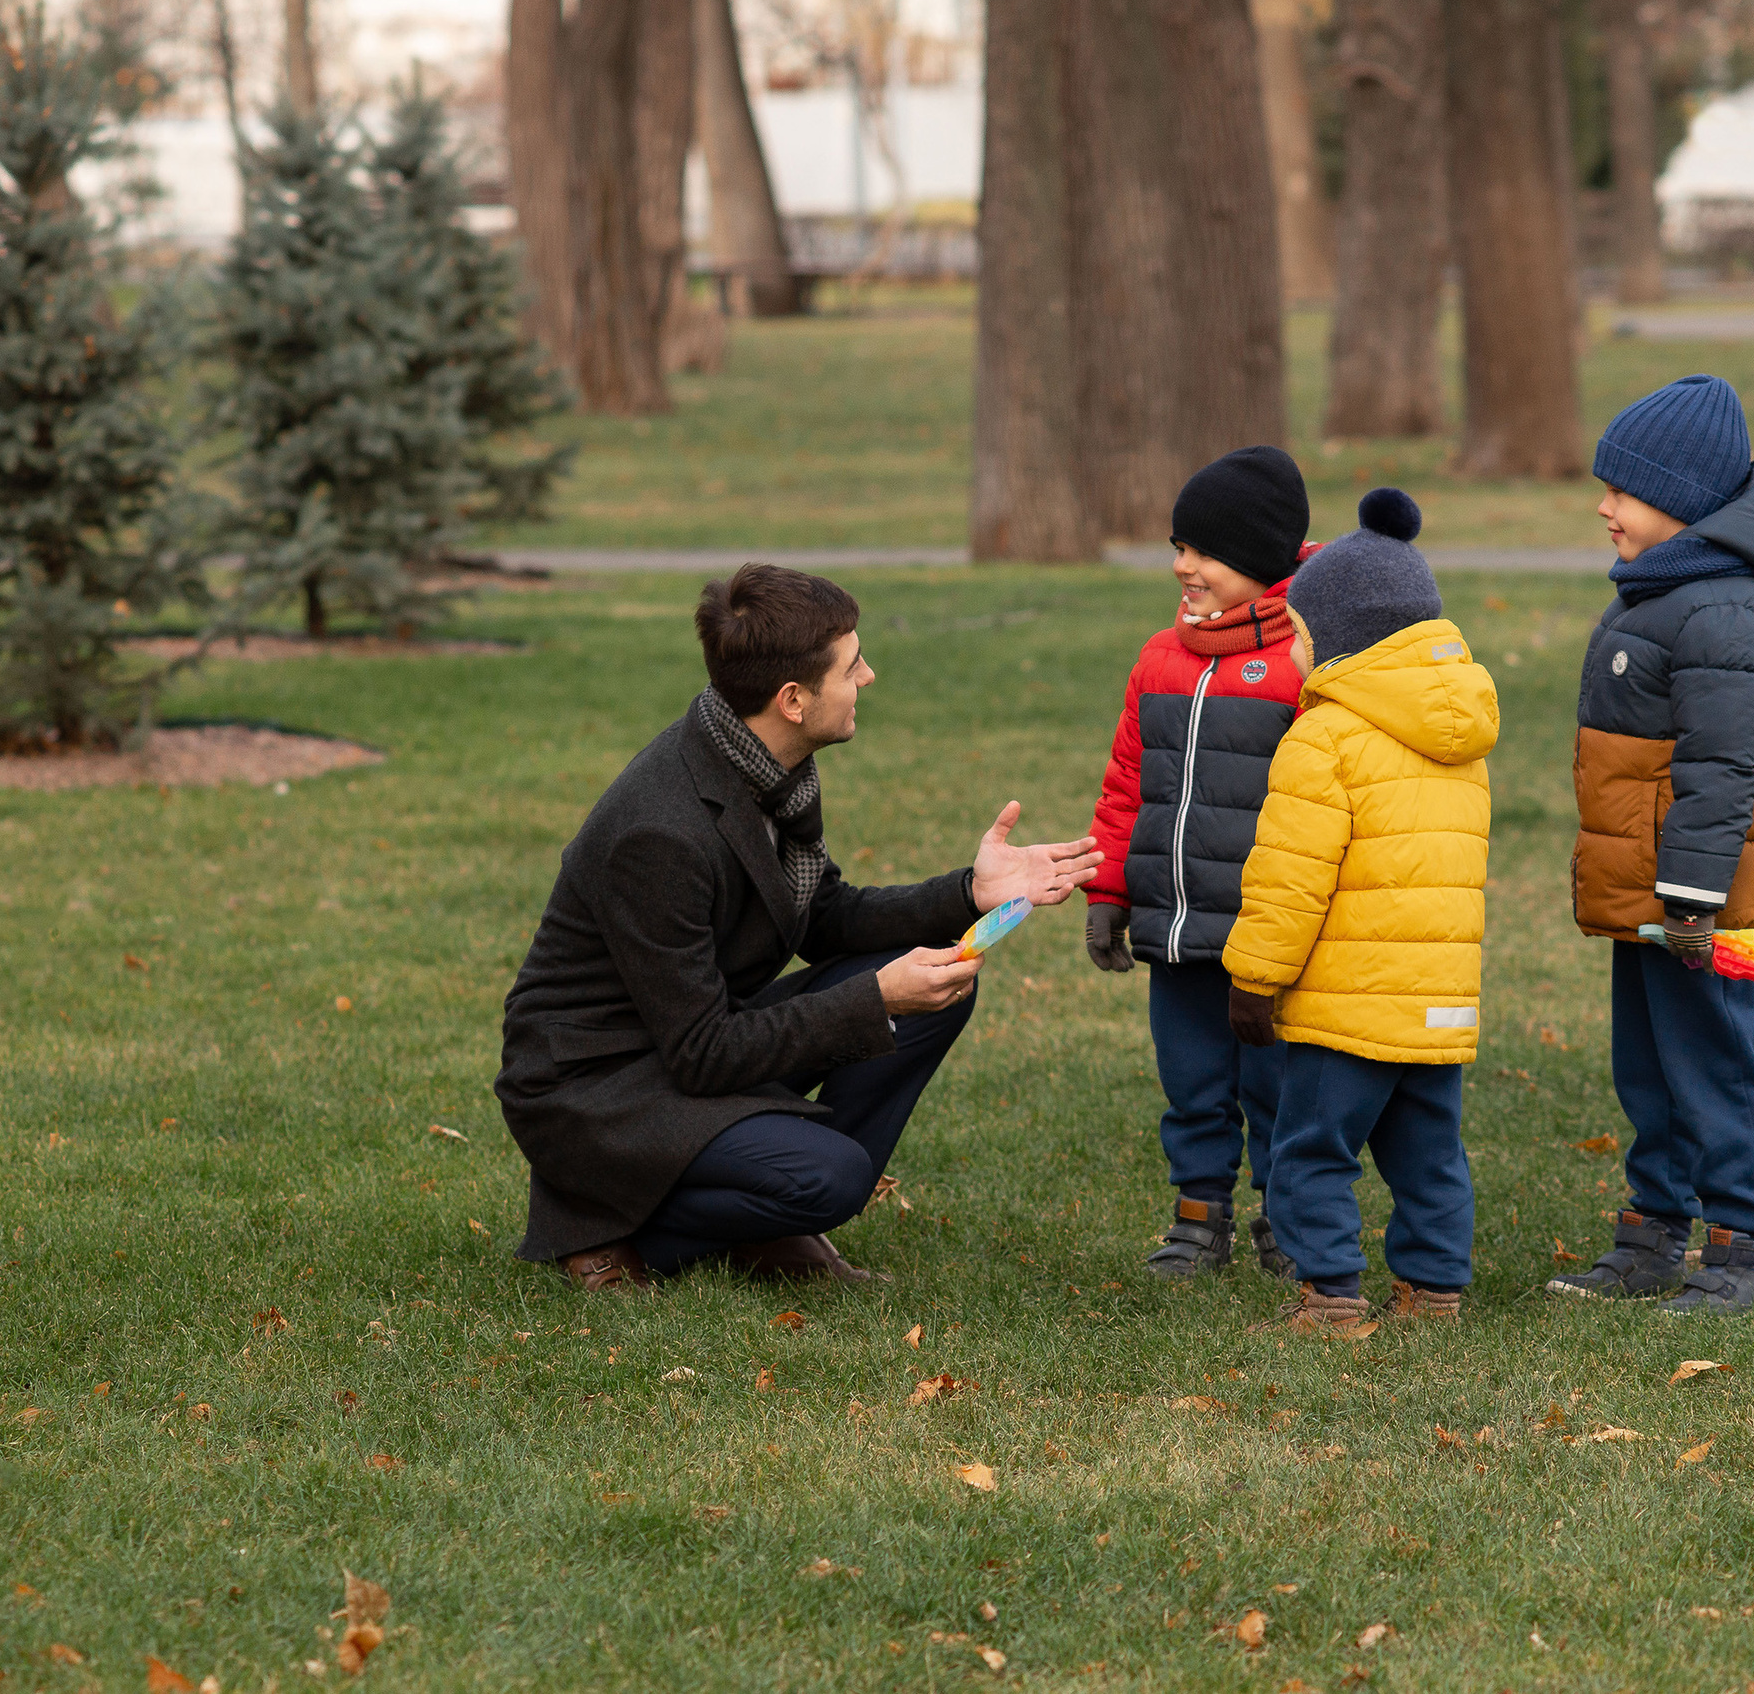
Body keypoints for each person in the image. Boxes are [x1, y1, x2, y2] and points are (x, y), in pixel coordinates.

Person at [496, 564, 1101, 1291]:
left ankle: (768, 1204)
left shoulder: (763, 764)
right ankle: (615, 1225)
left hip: (685, 1039)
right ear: (792, 699)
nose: (869, 676)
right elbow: (701, 1054)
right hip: (599, 1086)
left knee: (941, 986)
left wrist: (972, 892)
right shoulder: (659, 832)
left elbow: (825, 916)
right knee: (833, 1173)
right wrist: (875, 998)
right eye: (852, 666)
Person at [1548, 373, 1754, 1316]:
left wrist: (1695, 897)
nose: (1604, 506)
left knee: (1711, 1060)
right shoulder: (1667, 592)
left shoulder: (1723, 612)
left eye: (1622, 490)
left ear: (1683, 499)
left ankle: (1743, 1251)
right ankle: (1655, 1233)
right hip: (1652, 896)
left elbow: (1723, 769)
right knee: (1650, 1065)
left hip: (1698, 899)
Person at [1222, 489, 1498, 1334]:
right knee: (1430, 1155)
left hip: (1346, 1007)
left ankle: (1333, 1293)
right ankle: (1433, 1290)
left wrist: (1254, 979)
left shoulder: (1326, 736)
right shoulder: (1458, 734)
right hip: (1437, 1003)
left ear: (1340, 638)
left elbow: (1289, 879)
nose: (1295, 653)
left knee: (1310, 1150)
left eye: (1300, 636)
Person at [1083, 446, 1314, 1279]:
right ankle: (1197, 1217)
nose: (1182, 565)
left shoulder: (1303, 662)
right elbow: (1124, 783)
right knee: (1192, 1081)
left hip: (1268, 932)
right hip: (1174, 923)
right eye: (1178, 546)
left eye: (1203, 551)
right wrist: (1109, 888)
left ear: (1259, 558)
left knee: (1280, 1084)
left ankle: (1291, 1218)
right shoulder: (1160, 658)